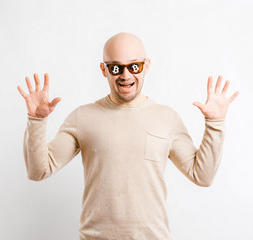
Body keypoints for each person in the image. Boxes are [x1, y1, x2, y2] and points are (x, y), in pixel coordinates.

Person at [17, 32, 239, 240]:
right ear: (104, 70)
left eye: (134, 66)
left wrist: (215, 124)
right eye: (116, 68)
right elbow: (38, 171)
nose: (125, 75)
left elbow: (202, 176)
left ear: (146, 66)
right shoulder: (82, 117)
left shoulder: (167, 118)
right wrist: (36, 121)